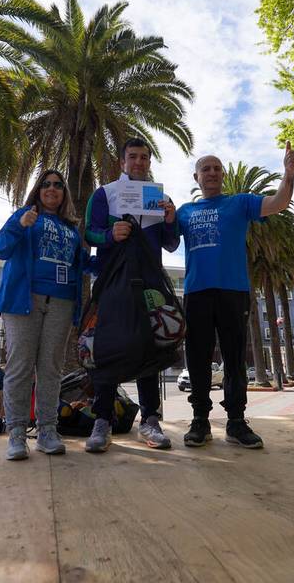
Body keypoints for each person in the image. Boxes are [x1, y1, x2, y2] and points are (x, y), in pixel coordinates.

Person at [177, 141, 294, 449]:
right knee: (197, 358)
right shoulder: (184, 212)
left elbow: (279, 202)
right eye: (205, 168)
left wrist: (289, 173)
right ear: (196, 177)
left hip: (234, 292)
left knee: (234, 358)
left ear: (223, 174)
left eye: (217, 168)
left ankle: (235, 422)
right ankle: (200, 421)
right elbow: (159, 235)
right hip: (196, 292)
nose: (212, 172)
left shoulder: (240, 202)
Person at [84, 137, 179, 452]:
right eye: (133, 156)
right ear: (122, 160)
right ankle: (102, 421)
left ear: (149, 162)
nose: (139, 162)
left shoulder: (160, 198)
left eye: (144, 157)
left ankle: (150, 421)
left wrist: (169, 220)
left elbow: (170, 244)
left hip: (150, 283)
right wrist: (110, 235)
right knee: (107, 347)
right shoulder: (105, 194)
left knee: (149, 348)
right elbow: (90, 232)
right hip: (113, 282)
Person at [0, 169, 84, 461]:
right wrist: (19, 225)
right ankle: (17, 433)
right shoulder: (24, 215)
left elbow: (83, 265)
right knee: (20, 366)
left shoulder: (71, 228)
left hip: (61, 302)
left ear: (64, 193)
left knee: (51, 370)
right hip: (23, 301)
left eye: (58, 185)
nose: (52, 189)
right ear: (38, 189)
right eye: (46, 184)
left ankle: (47, 431)